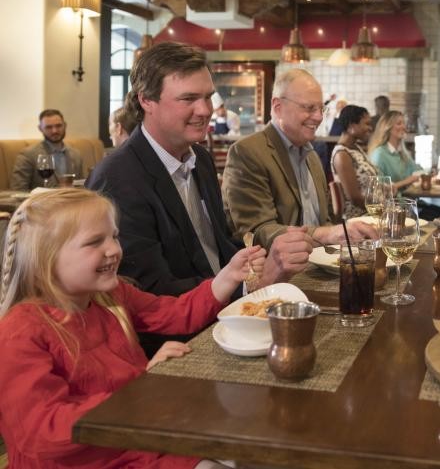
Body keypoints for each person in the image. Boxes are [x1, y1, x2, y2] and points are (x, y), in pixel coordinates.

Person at [0, 188, 264, 469]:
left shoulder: (110, 296)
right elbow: (43, 433)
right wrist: (141, 391)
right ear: (45, 259)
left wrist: (227, 277)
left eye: (113, 236)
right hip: (88, 460)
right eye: (94, 242)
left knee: (252, 436)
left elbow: (173, 314)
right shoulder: (20, 333)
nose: (114, 249)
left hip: (138, 438)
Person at [87, 43, 309, 353]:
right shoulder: (118, 179)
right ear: (146, 100)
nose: (205, 110)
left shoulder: (200, 159)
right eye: (188, 99)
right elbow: (152, 295)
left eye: (207, 96)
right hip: (176, 342)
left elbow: (216, 250)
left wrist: (260, 262)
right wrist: (250, 283)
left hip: (225, 317)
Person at [221, 69, 377, 249]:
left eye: (321, 108)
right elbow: (256, 231)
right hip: (279, 273)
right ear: (278, 107)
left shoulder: (311, 156)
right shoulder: (248, 152)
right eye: (309, 108)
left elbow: (324, 220)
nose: (319, 117)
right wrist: (327, 234)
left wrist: (342, 234)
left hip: (319, 264)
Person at [10, 109, 84, 190]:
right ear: (40, 128)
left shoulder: (76, 154)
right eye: (49, 127)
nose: (54, 130)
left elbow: (81, 186)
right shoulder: (28, 155)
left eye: (58, 126)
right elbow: (18, 190)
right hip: (41, 201)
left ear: (65, 125)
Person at [331, 105, 377, 218]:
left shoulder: (355, 147)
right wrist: (382, 213)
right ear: (351, 126)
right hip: (359, 219)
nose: (370, 128)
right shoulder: (341, 155)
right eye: (366, 124)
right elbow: (355, 198)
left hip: (371, 214)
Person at [367, 111, 421, 193]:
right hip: (393, 204)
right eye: (399, 123)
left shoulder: (402, 153)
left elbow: (419, 171)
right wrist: (406, 181)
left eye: (404, 123)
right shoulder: (379, 154)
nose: (404, 127)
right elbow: (378, 189)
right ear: (387, 128)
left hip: (408, 200)